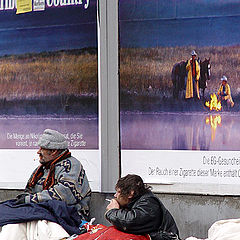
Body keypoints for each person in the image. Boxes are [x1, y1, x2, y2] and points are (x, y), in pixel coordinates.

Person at [0, 129, 91, 239]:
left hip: (68, 216)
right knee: (13, 224)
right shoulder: (41, 170)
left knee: (42, 226)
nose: (38, 152)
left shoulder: (72, 165)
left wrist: (30, 200)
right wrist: (25, 200)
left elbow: (64, 195)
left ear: (53, 151)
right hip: (41, 212)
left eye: (42, 148)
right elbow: (29, 191)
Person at [105, 174, 180, 240]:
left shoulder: (148, 203)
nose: (115, 195)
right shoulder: (135, 202)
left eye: (118, 192)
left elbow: (131, 222)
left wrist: (112, 211)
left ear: (131, 193)